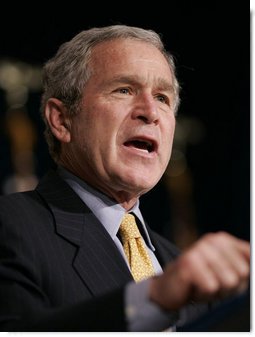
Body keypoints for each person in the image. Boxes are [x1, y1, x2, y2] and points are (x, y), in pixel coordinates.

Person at [0, 25, 250, 332]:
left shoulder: (182, 267)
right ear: (62, 120)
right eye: (124, 90)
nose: (150, 112)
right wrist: (155, 299)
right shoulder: (11, 225)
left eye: (162, 97)